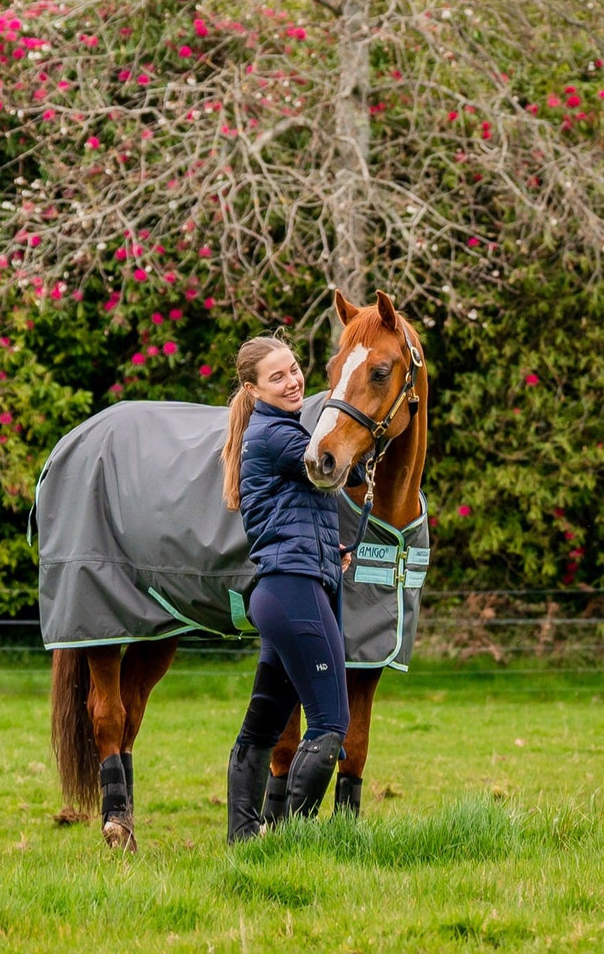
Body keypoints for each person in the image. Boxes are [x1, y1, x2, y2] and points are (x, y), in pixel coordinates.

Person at [220, 334, 356, 843]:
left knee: (262, 726)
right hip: (292, 592)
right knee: (330, 722)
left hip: (284, 591)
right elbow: (330, 466)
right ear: (254, 390)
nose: (293, 381)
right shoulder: (277, 435)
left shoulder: (274, 430)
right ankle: (293, 840)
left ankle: (243, 840)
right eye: (276, 377)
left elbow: (290, 521)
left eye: (294, 369)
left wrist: (328, 553)